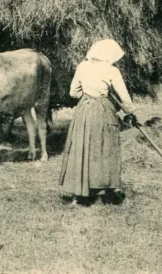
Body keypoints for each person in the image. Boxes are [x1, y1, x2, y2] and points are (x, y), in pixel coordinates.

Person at [59, 39, 137, 205]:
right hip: (102, 110)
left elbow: (73, 92)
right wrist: (130, 112)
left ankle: (80, 193)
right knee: (104, 147)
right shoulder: (111, 70)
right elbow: (124, 96)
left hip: (84, 110)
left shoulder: (82, 66)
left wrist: (88, 91)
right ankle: (105, 190)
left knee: (82, 147)